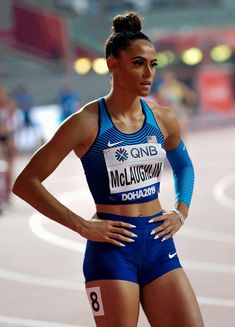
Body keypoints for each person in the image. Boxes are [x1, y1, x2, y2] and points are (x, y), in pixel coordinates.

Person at [12, 12, 204, 327]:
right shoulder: (86, 123)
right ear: (112, 64)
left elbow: (184, 165)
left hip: (159, 245)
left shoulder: (163, 118)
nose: (148, 74)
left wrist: (181, 211)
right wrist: (81, 226)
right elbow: (26, 183)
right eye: (138, 63)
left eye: (153, 64)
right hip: (112, 251)